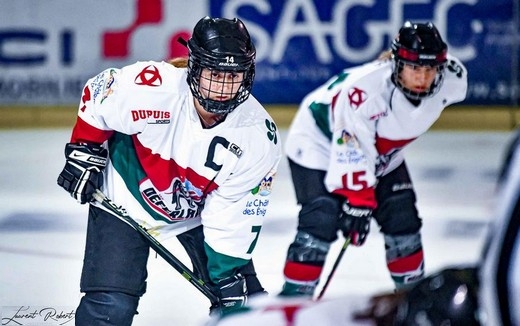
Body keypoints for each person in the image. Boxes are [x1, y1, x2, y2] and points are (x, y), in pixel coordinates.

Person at [56, 16, 282, 325]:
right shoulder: (151, 89)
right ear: (194, 68)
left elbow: (233, 214)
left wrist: (227, 274)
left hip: (198, 213)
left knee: (244, 305)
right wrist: (84, 151)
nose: (223, 88)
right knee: (109, 307)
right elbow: (99, 93)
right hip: (124, 194)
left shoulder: (257, 135)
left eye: (234, 76)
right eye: (214, 74)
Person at [279, 21, 468, 297]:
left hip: (378, 152)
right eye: (414, 68)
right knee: (321, 217)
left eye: (430, 69)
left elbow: (445, 66)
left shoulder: (452, 79)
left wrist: (364, 198)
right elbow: (351, 146)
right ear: (396, 64)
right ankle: (293, 301)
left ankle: (412, 298)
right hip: (319, 141)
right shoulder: (365, 93)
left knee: (402, 216)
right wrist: (358, 201)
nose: (423, 78)